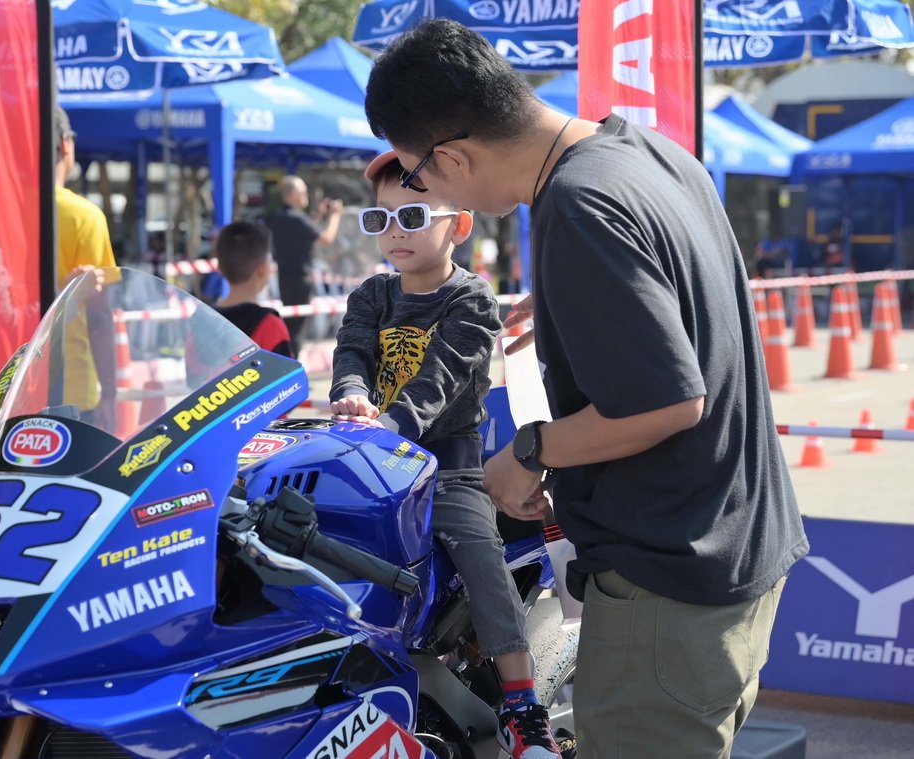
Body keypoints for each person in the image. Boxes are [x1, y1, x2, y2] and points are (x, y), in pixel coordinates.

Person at [365, 19, 808, 759]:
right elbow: (687, 287)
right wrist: (574, 299)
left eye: (416, 178)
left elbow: (668, 403)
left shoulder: (577, 204)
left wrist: (529, 453)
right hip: (740, 544)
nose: (422, 189)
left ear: (452, 157)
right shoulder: (646, 151)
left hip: (669, 583)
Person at [330, 151, 561, 759]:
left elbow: (442, 376)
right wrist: (352, 394)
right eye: (380, 219)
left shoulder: (472, 299)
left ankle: (522, 706)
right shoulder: (371, 295)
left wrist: (392, 426)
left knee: (479, 553)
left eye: (411, 215)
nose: (394, 232)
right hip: (372, 460)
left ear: (458, 225)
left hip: (447, 466)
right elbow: (352, 355)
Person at [54, 106, 118, 429]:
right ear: (65, 144)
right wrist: (110, 395)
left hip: (3, 391)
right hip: (71, 394)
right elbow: (100, 317)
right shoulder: (84, 217)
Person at [266, 175, 343, 358]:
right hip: (300, 279)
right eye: (303, 191)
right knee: (297, 332)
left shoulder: (281, 216)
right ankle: (293, 364)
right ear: (293, 194)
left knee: (290, 327)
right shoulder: (296, 217)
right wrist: (336, 216)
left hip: (285, 278)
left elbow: (306, 232)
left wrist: (320, 215)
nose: (306, 194)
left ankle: (288, 361)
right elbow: (325, 238)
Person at [213, 220, 292, 357]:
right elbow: (287, 370)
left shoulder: (200, 323)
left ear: (219, 268)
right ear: (262, 269)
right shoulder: (271, 325)